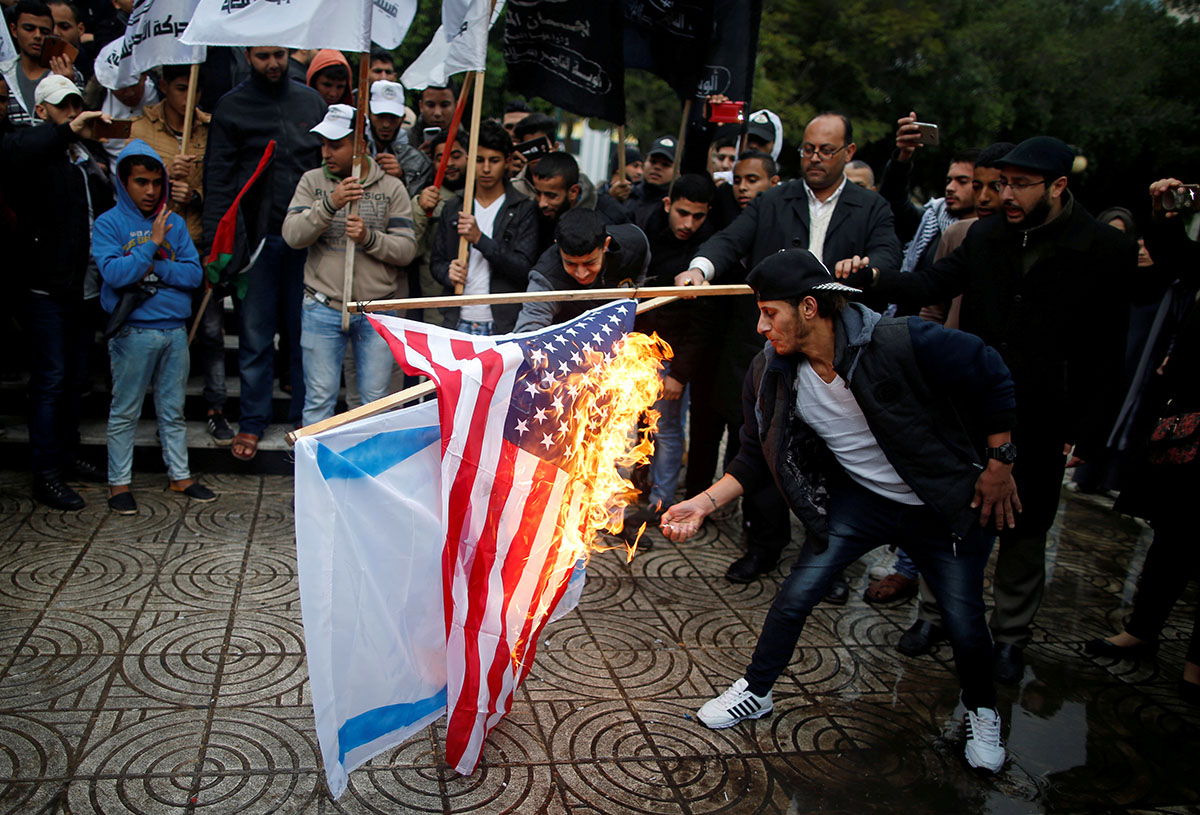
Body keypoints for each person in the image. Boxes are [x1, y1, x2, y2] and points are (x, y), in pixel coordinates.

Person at [660, 249, 1019, 773]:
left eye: (770, 313)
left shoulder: (898, 340)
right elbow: (755, 455)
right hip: (862, 503)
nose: (761, 327)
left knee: (964, 622)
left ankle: (983, 711)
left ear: (809, 307)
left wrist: (999, 462)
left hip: (940, 504)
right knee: (794, 596)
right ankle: (756, 691)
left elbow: (990, 369)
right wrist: (701, 503)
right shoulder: (769, 372)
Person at [837, 136, 1134, 683]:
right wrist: (873, 279)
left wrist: (1087, 431)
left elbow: (1107, 352)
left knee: (1025, 527)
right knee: (949, 515)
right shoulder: (985, 235)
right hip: (968, 408)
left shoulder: (1104, 248)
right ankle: (934, 616)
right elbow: (930, 282)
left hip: (1043, 414)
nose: (1006, 195)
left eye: (1020, 185)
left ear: (1058, 186)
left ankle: (1012, 636)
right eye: (1001, 184)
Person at [678, 112, 902, 594]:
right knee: (764, 442)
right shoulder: (773, 201)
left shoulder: (870, 207)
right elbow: (729, 240)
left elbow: (890, 256)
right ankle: (763, 544)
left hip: (835, 354)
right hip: (774, 347)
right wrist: (700, 268)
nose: (814, 158)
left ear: (849, 152)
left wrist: (867, 269)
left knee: (834, 458)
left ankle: (831, 562)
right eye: (807, 149)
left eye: (826, 150)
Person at [1086, 177, 1200, 705]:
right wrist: (1167, 219)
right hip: (1191, 414)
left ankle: (1197, 664)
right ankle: (1142, 627)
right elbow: (1181, 263)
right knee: (1174, 531)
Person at [203, 45, 326, 461]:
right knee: (255, 338)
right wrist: (215, 249)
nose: (272, 63)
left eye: (278, 54)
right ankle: (253, 421)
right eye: (262, 56)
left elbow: (328, 165)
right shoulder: (231, 107)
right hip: (256, 242)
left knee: (306, 336)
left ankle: (305, 423)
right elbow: (218, 180)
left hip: (308, 241)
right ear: (247, 56)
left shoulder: (311, 102)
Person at [93, 139, 216, 513]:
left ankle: (180, 475)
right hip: (133, 332)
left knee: (173, 410)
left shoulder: (174, 222)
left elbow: (193, 275)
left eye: (156, 182)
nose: (150, 191)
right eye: (141, 182)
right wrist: (152, 245)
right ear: (124, 182)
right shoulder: (109, 223)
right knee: (125, 411)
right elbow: (114, 274)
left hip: (174, 331)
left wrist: (153, 265)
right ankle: (118, 484)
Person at [9, 75, 113, 509]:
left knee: (74, 378)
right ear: (41, 111)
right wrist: (64, 132)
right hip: (46, 286)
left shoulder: (85, 153)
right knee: (50, 380)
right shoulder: (30, 149)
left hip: (84, 284)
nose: (73, 111)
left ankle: (68, 456)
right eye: (62, 106)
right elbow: (16, 151)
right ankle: (46, 472)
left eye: (75, 103)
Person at [282, 105, 418, 426]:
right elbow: (292, 236)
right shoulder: (312, 181)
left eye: (335, 144)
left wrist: (369, 238)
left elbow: (406, 250)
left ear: (360, 145)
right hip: (322, 305)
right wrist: (330, 204)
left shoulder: (391, 187)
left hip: (376, 310)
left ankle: (369, 460)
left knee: (376, 403)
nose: (325, 152)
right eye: (323, 144)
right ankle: (317, 461)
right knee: (319, 400)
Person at [129, 64, 233, 445]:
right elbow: (128, 190)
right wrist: (164, 180)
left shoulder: (211, 128)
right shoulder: (141, 129)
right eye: (179, 88)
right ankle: (165, 413)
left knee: (210, 331)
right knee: (164, 334)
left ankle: (216, 408)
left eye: (195, 89)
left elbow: (221, 184)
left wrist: (196, 195)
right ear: (162, 86)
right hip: (158, 247)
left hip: (200, 244)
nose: (188, 97)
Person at [684, 151, 781, 507]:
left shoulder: (781, 219)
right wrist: (699, 269)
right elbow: (722, 245)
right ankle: (695, 498)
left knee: (744, 430)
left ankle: (728, 503)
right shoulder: (723, 214)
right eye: (737, 180)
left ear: (774, 183)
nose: (743, 188)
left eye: (752, 180)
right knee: (704, 428)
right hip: (712, 345)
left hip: (753, 346)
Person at [628, 173, 717, 528]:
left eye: (698, 216)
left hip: (673, 356)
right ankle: (642, 486)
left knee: (667, 430)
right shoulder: (647, 228)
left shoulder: (706, 250)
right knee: (641, 424)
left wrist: (679, 373)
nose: (689, 223)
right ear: (667, 204)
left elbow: (704, 322)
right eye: (682, 213)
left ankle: (661, 501)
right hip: (640, 350)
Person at [430, 120, 538, 335]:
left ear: (507, 161)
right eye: (479, 160)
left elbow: (524, 268)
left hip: (503, 325)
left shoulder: (523, 208)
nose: (486, 168)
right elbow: (436, 262)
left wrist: (480, 239)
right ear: (470, 160)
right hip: (457, 321)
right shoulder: (455, 206)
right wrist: (448, 273)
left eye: (494, 160)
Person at [878, 112, 979, 282]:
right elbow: (893, 204)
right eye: (949, 180)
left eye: (962, 181)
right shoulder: (932, 220)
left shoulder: (992, 233)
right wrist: (903, 157)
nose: (950, 188)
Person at [515, 208, 649, 332]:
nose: (582, 274)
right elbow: (528, 331)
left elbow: (639, 279)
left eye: (590, 263)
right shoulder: (545, 277)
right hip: (567, 340)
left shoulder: (635, 244)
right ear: (558, 246)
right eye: (570, 264)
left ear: (605, 244)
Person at [410, 129, 467, 326]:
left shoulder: (484, 195)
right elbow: (410, 250)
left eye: (456, 156)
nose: (449, 163)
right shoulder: (426, 198)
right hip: (436, 302)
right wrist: (419, 209)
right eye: (440, 158)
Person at [4, 0, 86, 128]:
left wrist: (67, 85)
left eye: (44, 31)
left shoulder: (69, 72)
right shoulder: (3, 73)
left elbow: (76, 123)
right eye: (29, 29)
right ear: (14, 30)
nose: (37, 36)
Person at [365, 79, 433, 197]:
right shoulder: (353, 151)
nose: (386, 124)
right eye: (380, 116)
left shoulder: (417, 160)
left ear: (403, 118)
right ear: (369, 114)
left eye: (393, 117)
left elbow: (416, 202)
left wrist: (401, 178)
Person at [45, 0, 94, 81]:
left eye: (64, 27)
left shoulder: (95, 67)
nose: (55, 32)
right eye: (50, 26)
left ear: (80, 29)